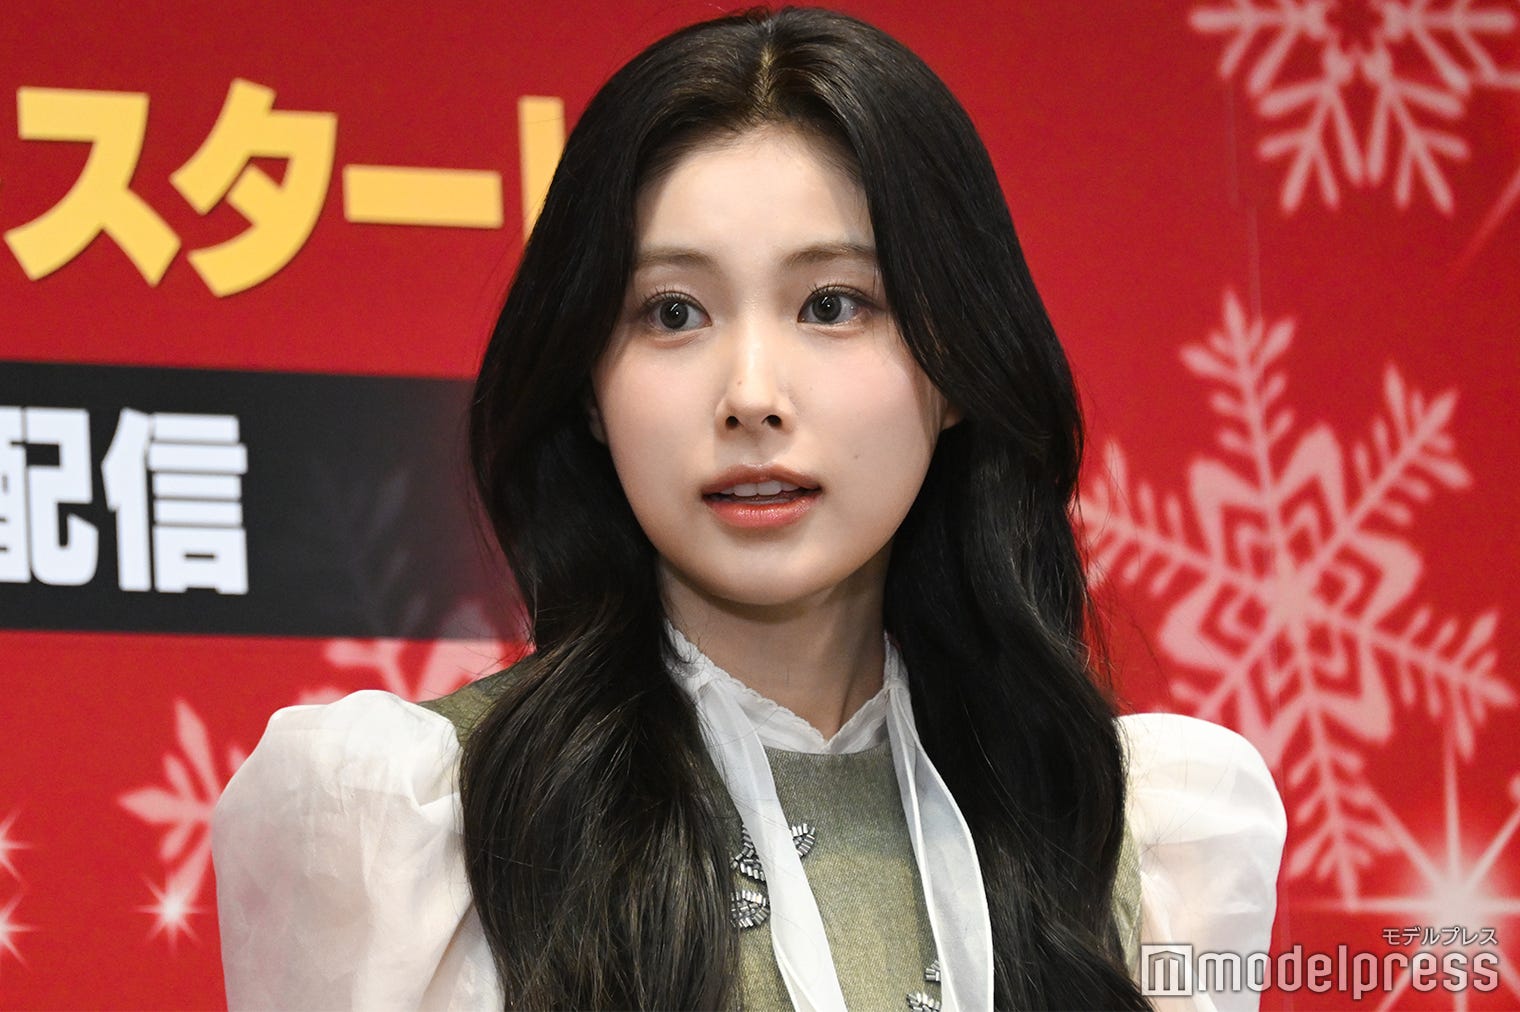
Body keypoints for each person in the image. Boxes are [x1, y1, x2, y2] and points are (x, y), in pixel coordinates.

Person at [212, 6, 1286, 1010]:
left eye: (833, 304)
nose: (752, 396)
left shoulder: (1134, 833)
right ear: (588, 389)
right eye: (673, 313)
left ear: (956, 361)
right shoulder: (424, 830)